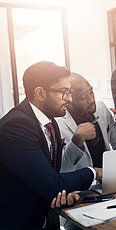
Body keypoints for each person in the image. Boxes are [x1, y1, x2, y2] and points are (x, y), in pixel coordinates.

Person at [0, 62, 101, 229]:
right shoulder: (16, 125)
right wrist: (94, 172)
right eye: (64, 92)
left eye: (70, 92)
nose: (69, 99)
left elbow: (50, 179)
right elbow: (51, 184)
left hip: (46, 220)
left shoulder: (50, 122)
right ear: (40, 93)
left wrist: (62, 194)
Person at [56, 72, 116, 172]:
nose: (91, 100)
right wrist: (77, 140)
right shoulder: (58, 124)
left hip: (109, 177)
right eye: (82, 97)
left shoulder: (101, 108)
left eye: (91, 92)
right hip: (82, 186)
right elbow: (63, 169)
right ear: (69, 100)